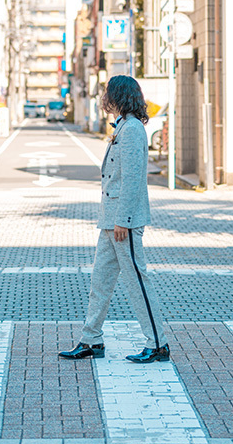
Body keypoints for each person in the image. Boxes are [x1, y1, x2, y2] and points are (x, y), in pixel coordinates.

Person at [59, 75, 170, 364]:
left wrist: (124, 219)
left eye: (108, 92)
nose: (104, 97)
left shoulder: (132, 129)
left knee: (137, 283)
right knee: (100, 282)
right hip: (110, 220)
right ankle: (91, 339)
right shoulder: (123, 126)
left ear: (118, 95)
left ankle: (158, 344)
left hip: (123, 222)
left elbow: (133, 178)